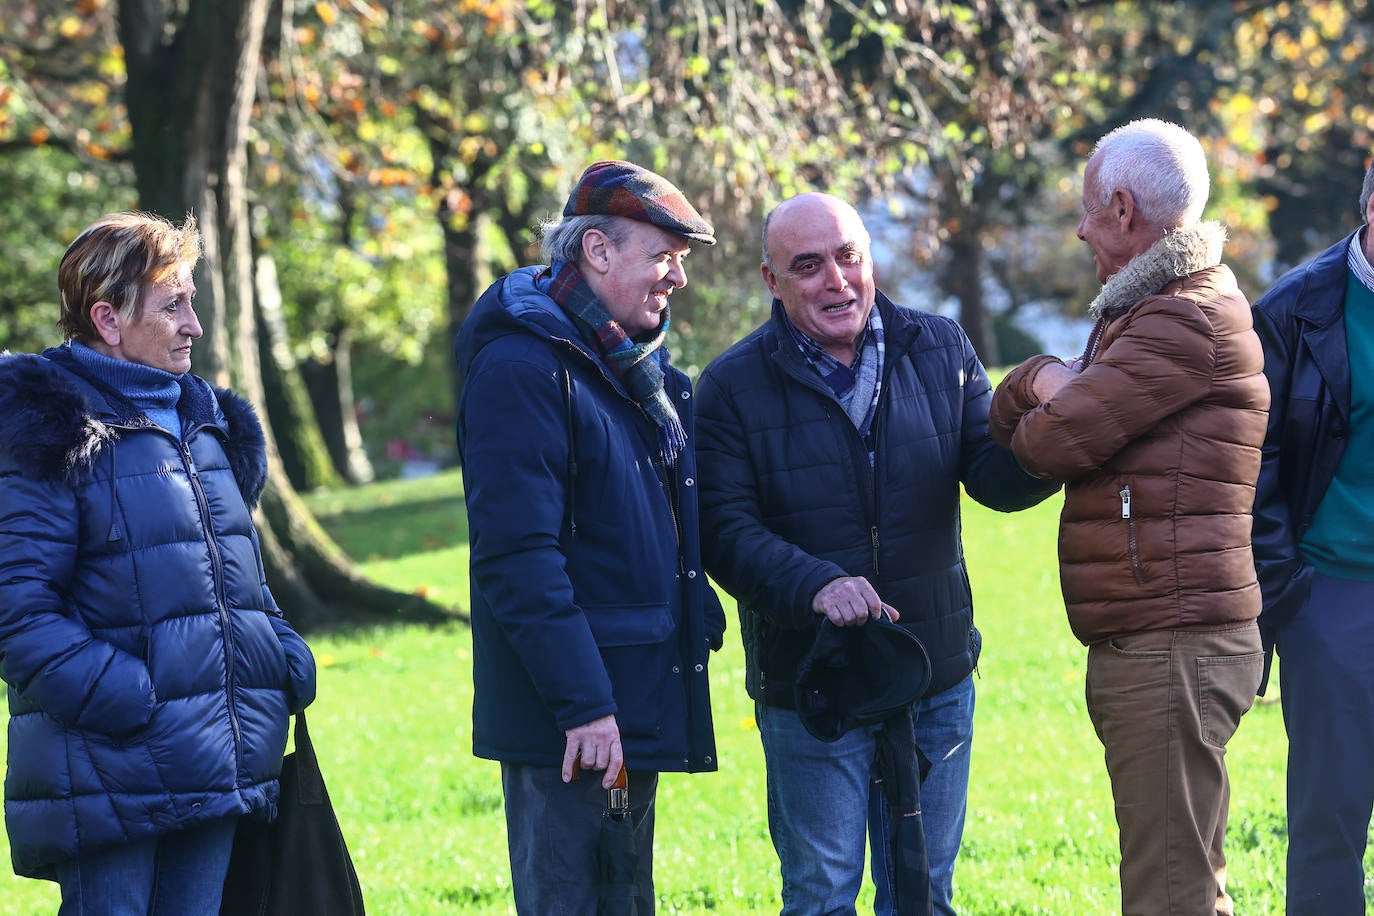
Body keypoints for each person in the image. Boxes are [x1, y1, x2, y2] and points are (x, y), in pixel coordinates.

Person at [694, 191, 1059, 915]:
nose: (836, 280)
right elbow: (723, 530)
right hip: (814, 683)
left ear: (870, 260)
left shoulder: (941, 346)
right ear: (772, 280)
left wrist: (1058, 436)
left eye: (848, 257)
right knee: (821, 896)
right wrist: (815, 584)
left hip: (934, 674)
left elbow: (992, 477)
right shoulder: (732, 386)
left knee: (923, 895)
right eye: (808, 266)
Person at [988, 119, 1269, 916]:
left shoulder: (1182, 320)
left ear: (1121, 208)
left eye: (1086, 210)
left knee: (1170, 892)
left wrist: (1041, 378)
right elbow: (1020, 424)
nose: (1079, 230)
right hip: (1161, 634)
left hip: (1173, 641)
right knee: (1181, 878)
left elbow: (1048, 442)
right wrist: (1050, 381)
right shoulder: (1154, 310)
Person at [0, 211, 317, 914]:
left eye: (191, 302)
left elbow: (237, 581)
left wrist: (282, 657)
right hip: (110, 767)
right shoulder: (48, 427)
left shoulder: (208, 424)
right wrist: (131, 699)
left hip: (217, 758)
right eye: (173, 306)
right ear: (107, 319)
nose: (193, 326)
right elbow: (16, 611)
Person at [454, 160, 725, 914]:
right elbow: (518, 558)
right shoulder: (522, 368)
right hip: (573, 725)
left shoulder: (629, 367)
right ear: (597, 251)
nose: (677, 278)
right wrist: (583, 705)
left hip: (624, 702)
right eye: (663, 256)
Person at [1250, 157, 1374, 915]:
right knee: (1329, 816)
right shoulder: (1295, 309)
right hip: (1332, 596)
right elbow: (1254, 465)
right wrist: (1290, 592)